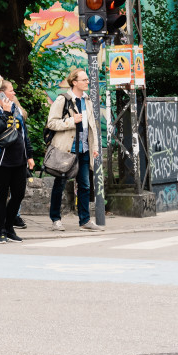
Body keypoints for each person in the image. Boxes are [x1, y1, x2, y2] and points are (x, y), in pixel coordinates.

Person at [46, 67, 103, 232]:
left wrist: (94, 146)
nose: (87, 82)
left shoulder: (87, 100)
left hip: (84, 148)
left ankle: (85, 220)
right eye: (84, 80)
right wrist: (72, 121)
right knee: (60, 184)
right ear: (74, 82)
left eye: (87, 79)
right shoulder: (62, 100)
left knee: (85, 185)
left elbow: (92, 126)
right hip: (67, 150)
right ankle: (55, 219)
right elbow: (52, 123)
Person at [0, 77, 34, 243]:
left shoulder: (15, 107)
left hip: (18, 159)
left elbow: (23, 133)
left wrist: (30, 155)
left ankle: (10, 227)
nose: (14, 92)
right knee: (1, 194)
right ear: (3, 93)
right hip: (0, 160)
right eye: (11, 90)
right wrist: (5, 113)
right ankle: (1, 230)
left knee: (18, 194)